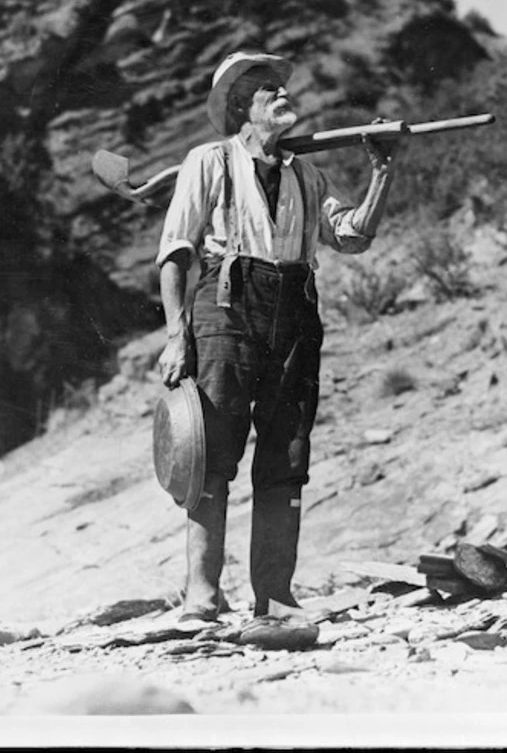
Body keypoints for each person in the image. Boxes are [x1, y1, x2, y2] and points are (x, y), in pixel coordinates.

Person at [156, 51, 400, 622]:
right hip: (226, 307)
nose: (283, 94)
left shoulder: (304, 173)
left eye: (281, 87)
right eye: (269, 90)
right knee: (211, 454)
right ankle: (202, 594)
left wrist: (382, 174)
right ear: (242, 106)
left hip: (293, 314)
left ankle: (274, 596)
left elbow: (352, 236)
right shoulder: (209, 161)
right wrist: (176, 334)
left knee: (286, 455)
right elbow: (175, 253)